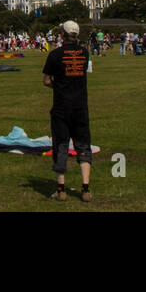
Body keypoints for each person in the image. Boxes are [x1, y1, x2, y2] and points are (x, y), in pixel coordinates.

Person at [42, 21, 92, 203]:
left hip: (61, 106)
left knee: (61, 145)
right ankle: (85, 188)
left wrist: (58, 86)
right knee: (83, 145)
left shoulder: (55, 54)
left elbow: (47, 81)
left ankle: (61, 189)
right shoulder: (84, 53)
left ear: (63, 34)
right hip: (80, 105)